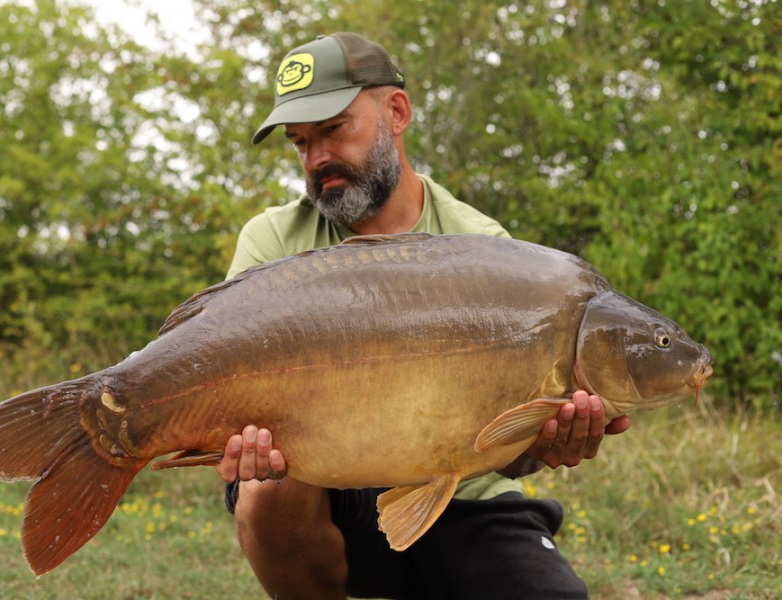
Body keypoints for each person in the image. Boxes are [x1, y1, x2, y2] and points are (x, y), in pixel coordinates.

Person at [216, 32, 630, 599]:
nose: (316, 159)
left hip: (463, 495)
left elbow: (512, 455)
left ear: (397, 112)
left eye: (333, 129)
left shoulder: (488, 248)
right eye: (300, 142)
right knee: (269, 488)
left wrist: (541, 446)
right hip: (328, 492)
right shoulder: (273, 241)